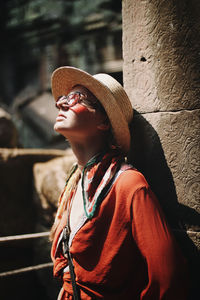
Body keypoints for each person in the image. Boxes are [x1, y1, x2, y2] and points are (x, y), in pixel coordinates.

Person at [50, 66, 188, 300]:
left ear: (104, 121)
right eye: (64, 98)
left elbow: (168, 276)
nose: (61, 104)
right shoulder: (73, 184)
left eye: (76, 98)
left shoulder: (128, 184)